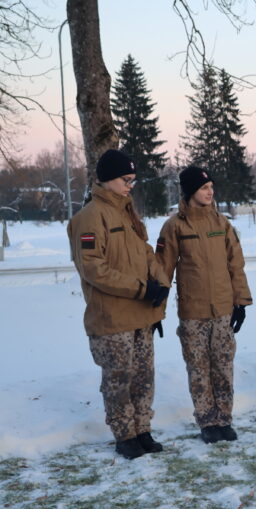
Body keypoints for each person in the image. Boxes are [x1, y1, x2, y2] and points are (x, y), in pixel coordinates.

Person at [67, 149, 170, 459]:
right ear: (108, 179)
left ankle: (142, 430)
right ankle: (124, 435)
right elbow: (94, 269)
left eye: (133, 180)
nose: (130, 186)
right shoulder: (89, 217)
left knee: (143, 378)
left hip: (141, 316)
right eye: (126, 180)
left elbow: (146, 253)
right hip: (111, 319)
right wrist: (141, 289)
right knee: (119, 380)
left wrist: (159, 285)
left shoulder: (128, 214)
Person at [157, 166, 252, 443]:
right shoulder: (174, 226)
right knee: (199, 369)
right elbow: (162, 270)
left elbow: (236, 264)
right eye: (203, 188)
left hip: (223, 310)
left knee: (223, 367)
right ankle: (207, 421)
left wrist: (241, 302)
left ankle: (224, 419)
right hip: (193, 313)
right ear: (189, 192)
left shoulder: (221, 224)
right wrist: (156, 311)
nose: (210, 192)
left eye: (211, 187)